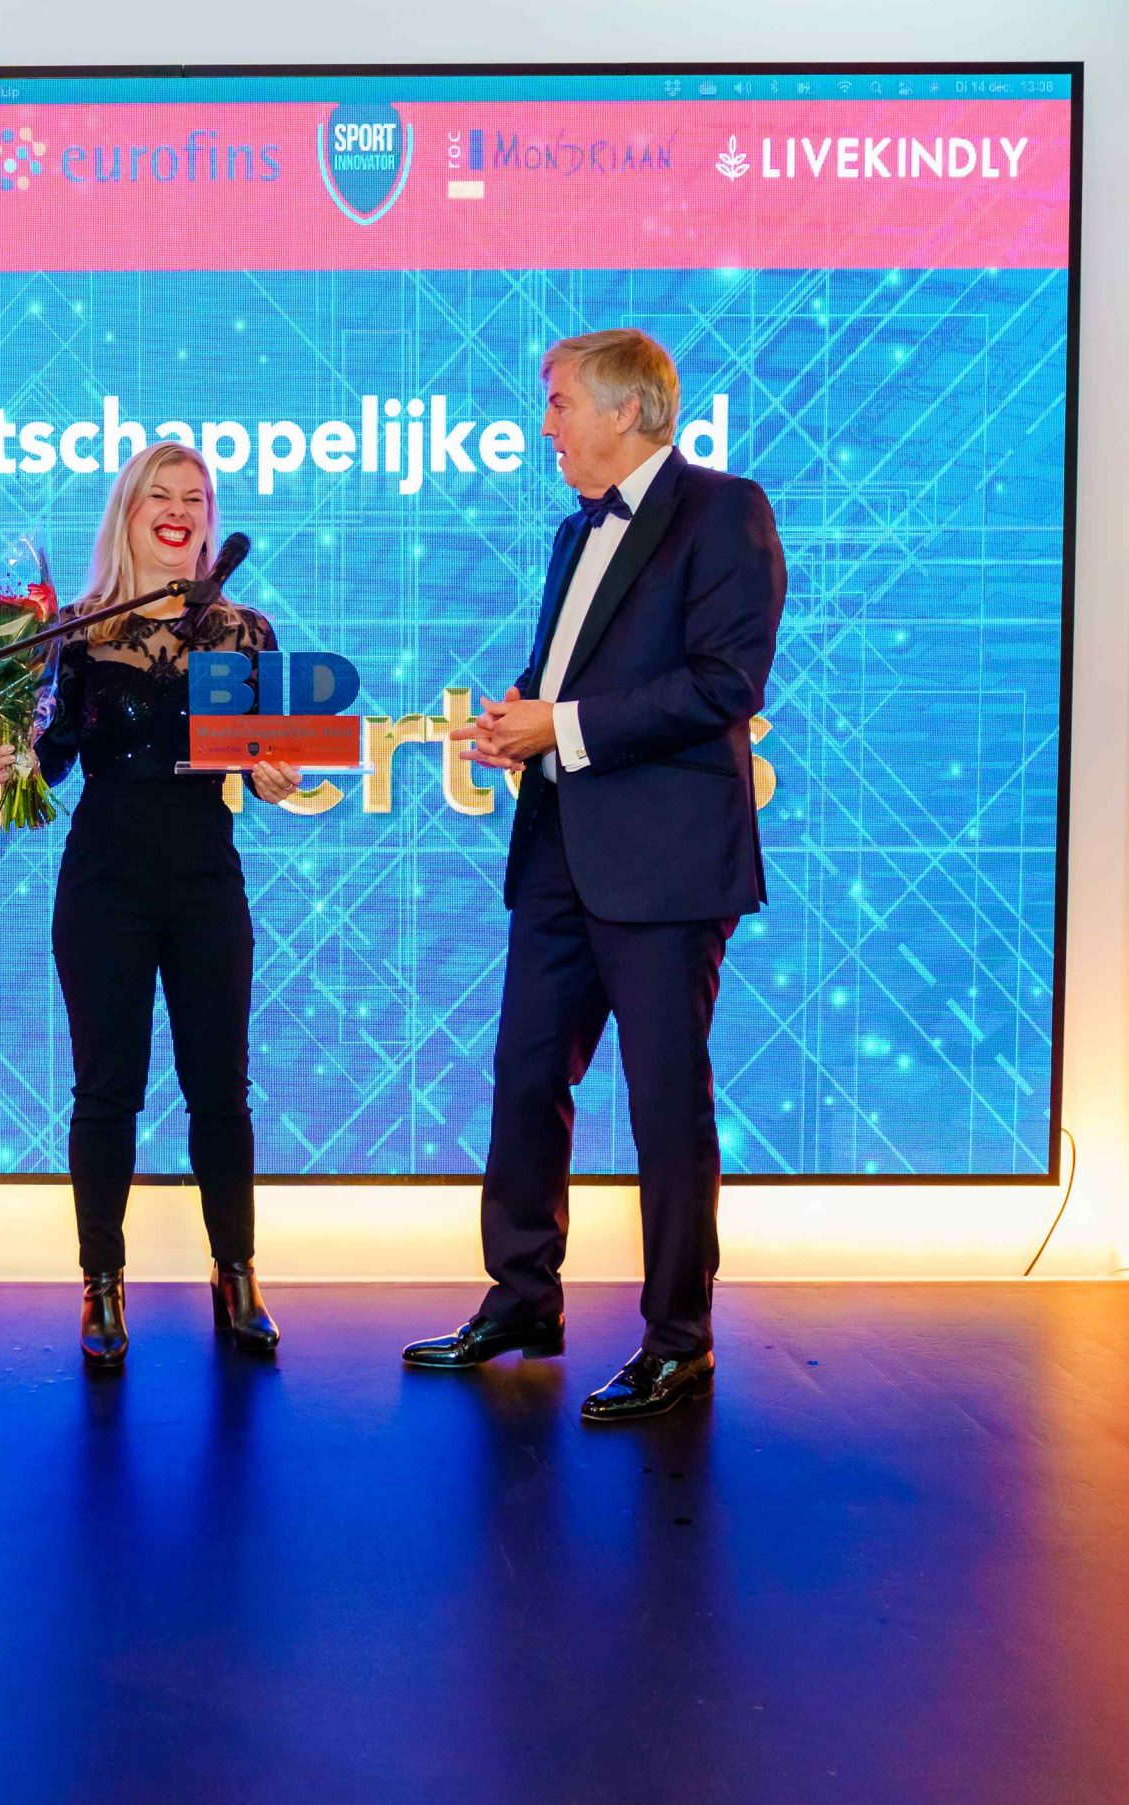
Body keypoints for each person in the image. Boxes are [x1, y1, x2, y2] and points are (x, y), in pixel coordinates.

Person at [404, 327, 786, 1422]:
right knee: (525, 1075)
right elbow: (565, 674)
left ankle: (679, 1340)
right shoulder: (576, 528)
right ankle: (522, 1296)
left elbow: (724, 681)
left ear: (627, 409)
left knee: (665, 1101)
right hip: (558, 852)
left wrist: (560, 726)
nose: (546, 427)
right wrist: (517, 720)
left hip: (666, 863)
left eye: (560, 403)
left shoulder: (724, 510)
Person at [0, 441, 303, 1370]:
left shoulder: (246, 630)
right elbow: (50, 765)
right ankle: (101, 1282)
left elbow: (270, 759)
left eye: (194, 497)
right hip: (104, 887)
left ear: (209, 519)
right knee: (105, 1091)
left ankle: (237, 1275)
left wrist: (276, 776)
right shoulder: (76, 630)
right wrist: (13, 761)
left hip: (206, 882)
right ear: (127, 513)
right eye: (157, 495)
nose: (177, 511)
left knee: (221, 1090)